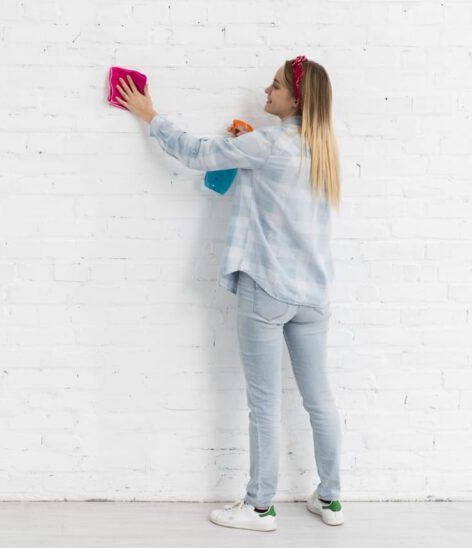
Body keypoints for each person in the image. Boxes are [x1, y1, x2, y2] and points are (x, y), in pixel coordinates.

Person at [114, 55, 344, 532]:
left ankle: (259, 507)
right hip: (314, 295)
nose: (267, 91)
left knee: (263, 402)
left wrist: (150, 115)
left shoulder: (269, 143)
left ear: (296, 97)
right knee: (319, 401)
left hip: (268, 290)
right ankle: (332, 499)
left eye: (277, 86)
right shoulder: (323, 147)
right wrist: (246, 146)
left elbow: (197, 153)